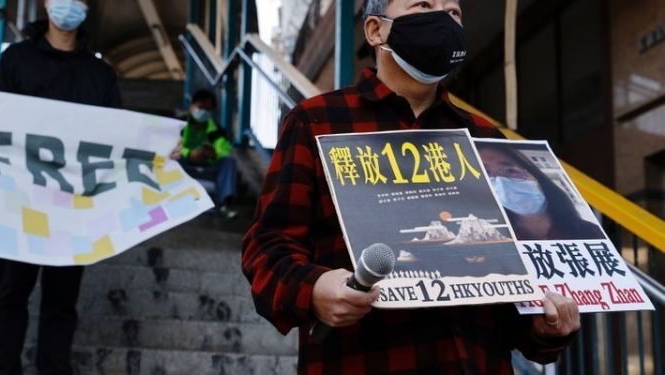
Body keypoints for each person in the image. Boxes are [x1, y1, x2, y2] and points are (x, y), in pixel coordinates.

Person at [242, 0, 580, 373]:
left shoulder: (484, 137)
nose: (444, 20)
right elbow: (267, 248)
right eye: (423, 4)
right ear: (375, 31)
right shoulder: (317, 122)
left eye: (453, 13)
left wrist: (546, 328)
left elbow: (511, 294)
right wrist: (314, 289)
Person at [0, 0, 121, 373]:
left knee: (61, 302)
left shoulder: (101, 75)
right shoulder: (16, 60)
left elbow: (119, 140)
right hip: (17, 203)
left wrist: (158, 150)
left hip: (74, 209)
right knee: (10, 295)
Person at [476, 142, 606, 241]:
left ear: (535, 175)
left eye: (510, 170)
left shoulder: (588, 231)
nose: (501, 182)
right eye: (487, 174)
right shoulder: (492, 240)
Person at [178, 89, 238, 219]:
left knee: (229, 162)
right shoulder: (179, 124)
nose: (203, 112)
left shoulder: (216, 130)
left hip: (208, 165)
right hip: (184, 164)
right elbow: (171, 146)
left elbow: (224, 150)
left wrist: (214, 154)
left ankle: (225, 204)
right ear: (191, 106)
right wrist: (189, 153)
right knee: (172, 159)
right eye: (201, 107)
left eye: (208, 110)